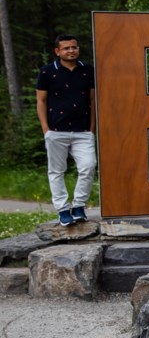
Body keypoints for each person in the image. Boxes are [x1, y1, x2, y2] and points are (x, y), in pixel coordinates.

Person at [36, 34, 98, 226]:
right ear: (57, 51)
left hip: (83, 132)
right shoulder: (47, 72)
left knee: (88, 166)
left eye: (74, 47)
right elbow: (41, 101)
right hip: (56, 130)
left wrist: (92, 128)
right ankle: (63, 210)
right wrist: (46, 129)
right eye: (66, 48)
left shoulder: (88, 70)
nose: (71, 51)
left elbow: (92, 99)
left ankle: (78, 206)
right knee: (56, 171)